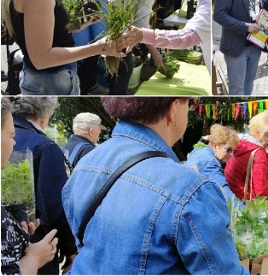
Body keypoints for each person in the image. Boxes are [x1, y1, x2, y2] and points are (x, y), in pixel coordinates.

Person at [62, 97, 247, 274]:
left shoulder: (84, 166)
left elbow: (86, 245)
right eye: (190, 103)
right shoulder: (191, 190)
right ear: (173, 108)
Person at [11, 97, 77, 274]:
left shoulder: (10, 138)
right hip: (38, 250)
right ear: (45, 112)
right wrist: (71, 249)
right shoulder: (45, 146)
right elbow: (55, 207)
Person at [1, 98, 59, 275]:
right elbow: (54, 204)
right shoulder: (46, 146)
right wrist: (34, 259)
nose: (15, 142)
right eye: (11, 136)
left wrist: (16, 229)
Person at [49, 0, 108, 95]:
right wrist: (103, 42)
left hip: (59, 36)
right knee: (82, 81)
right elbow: (99, 16)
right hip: (85, 40)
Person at [106, 0, 165, 94]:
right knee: (123, 75)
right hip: (124, 39)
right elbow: (142, 26)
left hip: (106, 34)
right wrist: (156, 55)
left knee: (112, 75)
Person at [225, 110, 268, 200]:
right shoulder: (258, 154)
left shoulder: (241, 144)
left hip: (232, 199)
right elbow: (261, 192)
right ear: (258, 132)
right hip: (245, 203)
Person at [185, 124, 244, 209]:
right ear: (215, 146)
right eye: (228, 150)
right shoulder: (209, 163)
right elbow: (224, 191)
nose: (231, 155)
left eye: (233, 151)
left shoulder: (199, 151)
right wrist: (244, 212)